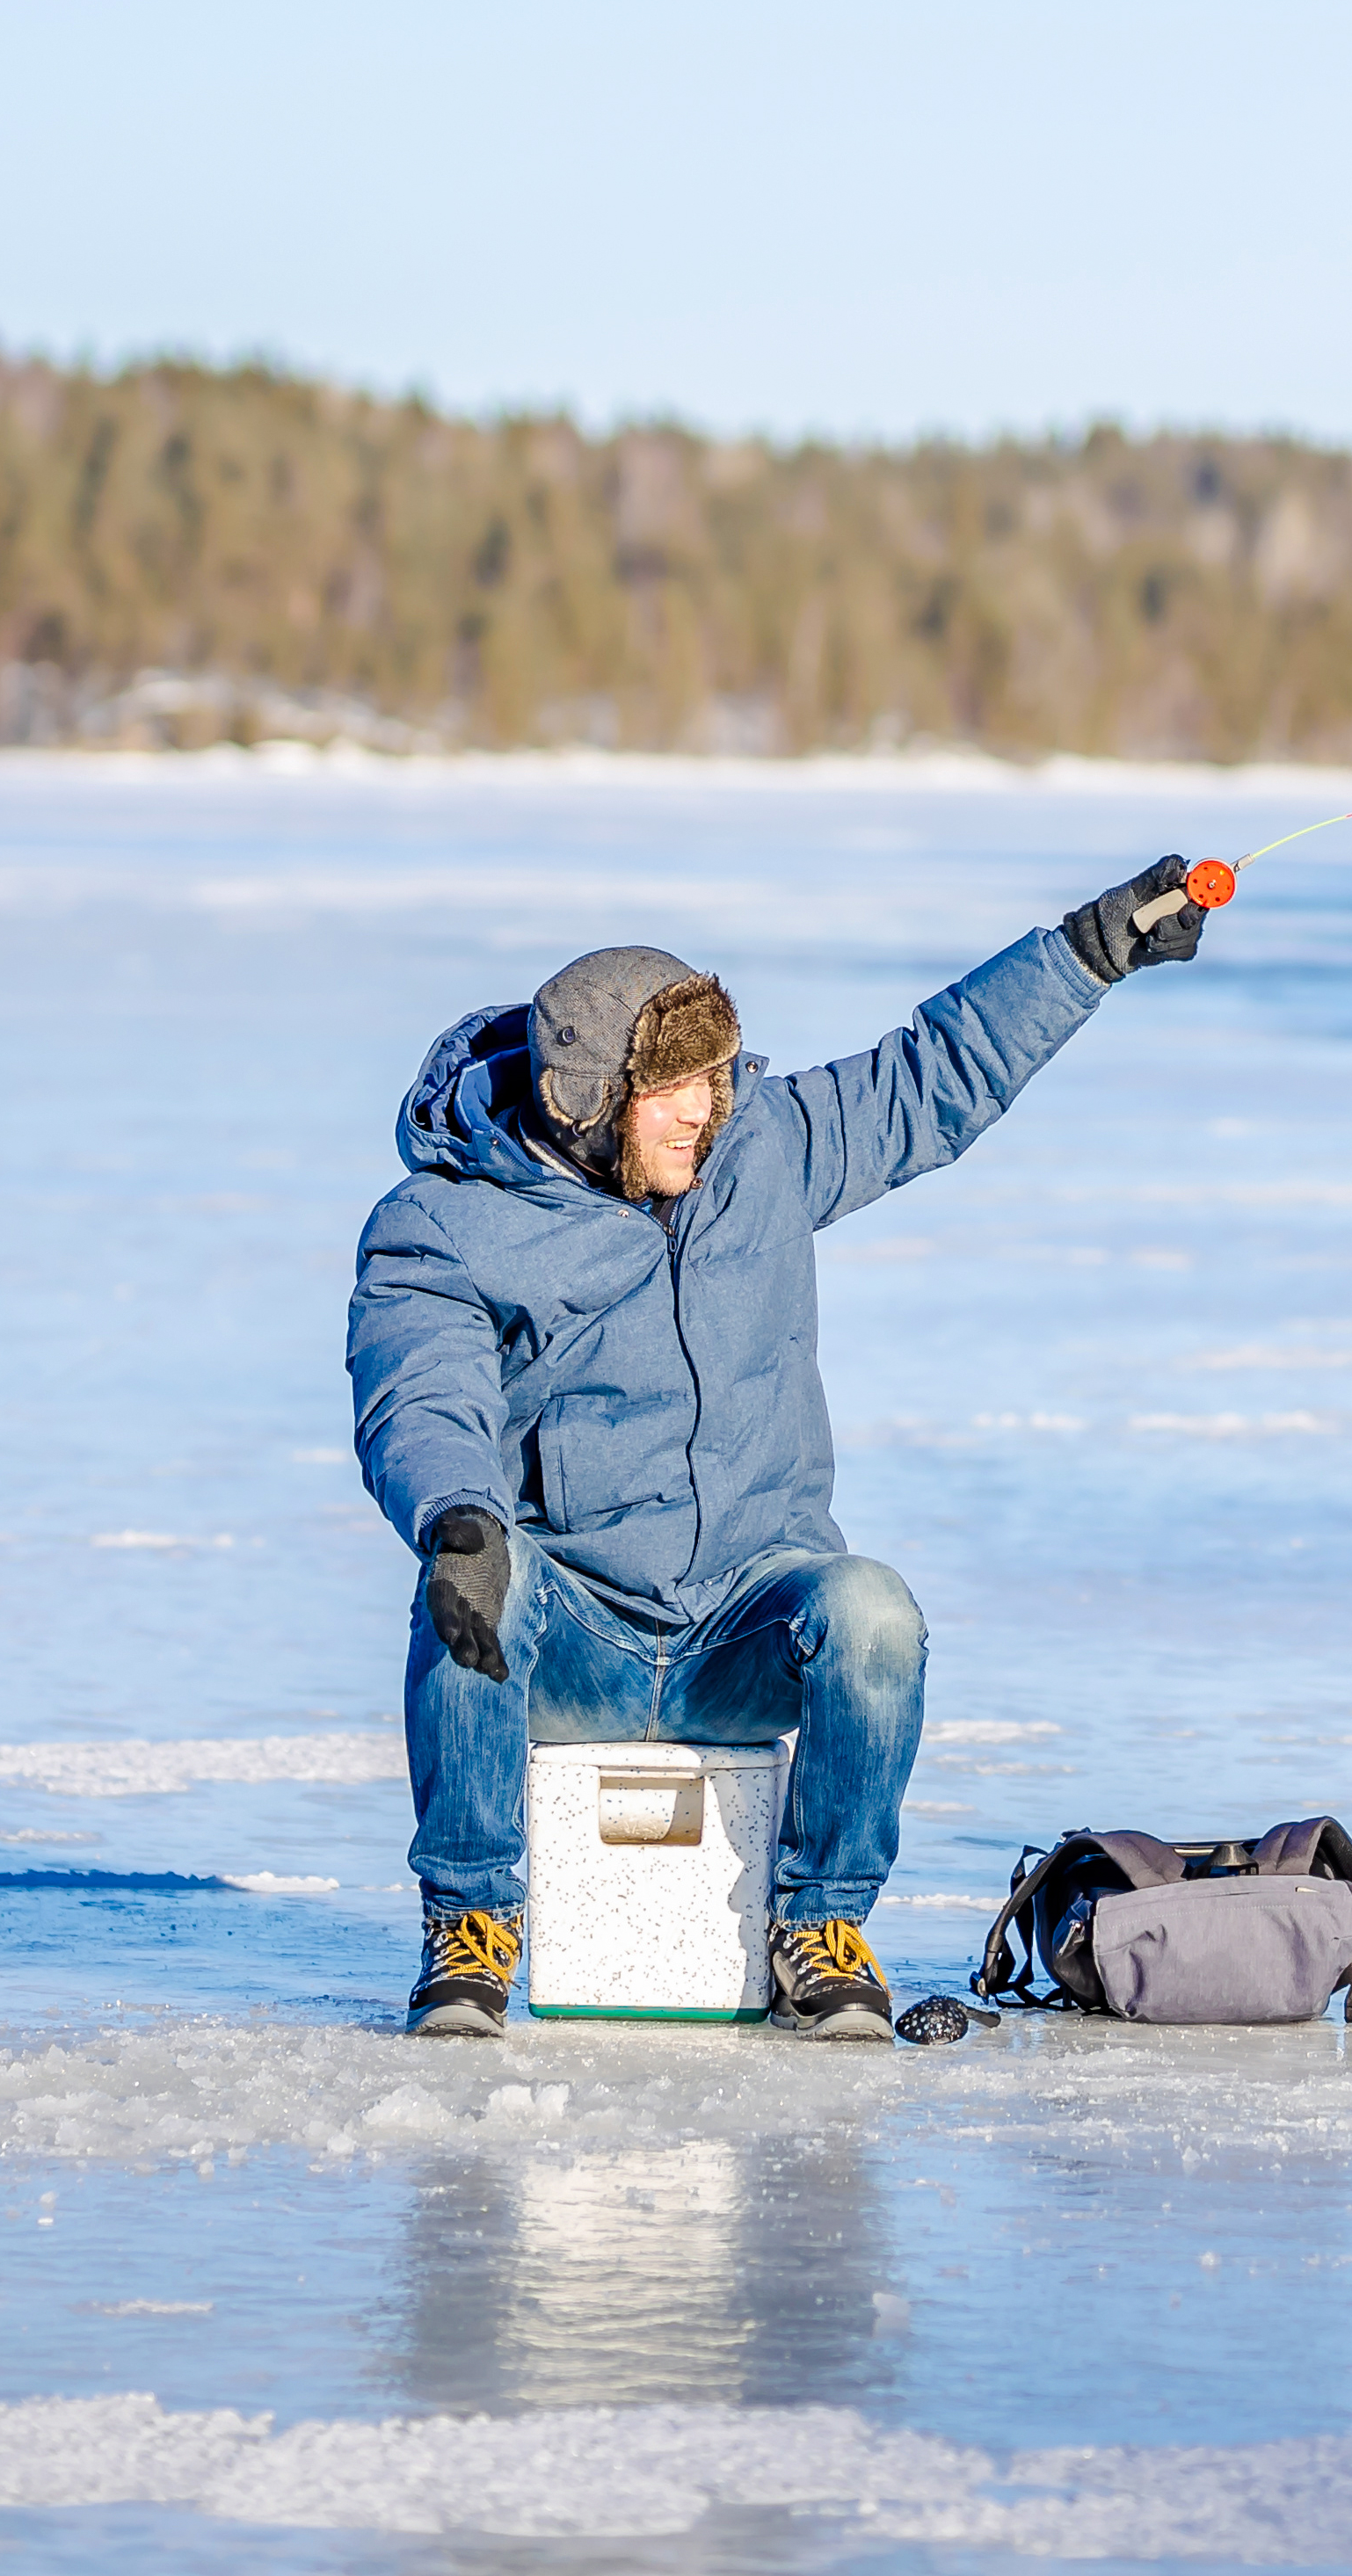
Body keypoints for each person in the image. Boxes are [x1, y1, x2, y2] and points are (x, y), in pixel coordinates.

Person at [347, 858, 1215, 2040]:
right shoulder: (443, 1227)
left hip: (742, 1623)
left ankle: (821, 1926)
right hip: (580, 1637)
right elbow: (420, 1392)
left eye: (712, 1077)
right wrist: (456, 1513)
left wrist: (1087, 951)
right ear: (587, 1101)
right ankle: (469, 1928)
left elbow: (934, 1076)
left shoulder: (760, 1153)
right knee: (470, 1576)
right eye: (673, 1091)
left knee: (871, 1612)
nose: (706, 1110)